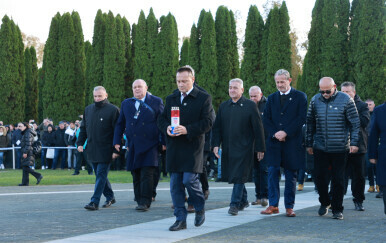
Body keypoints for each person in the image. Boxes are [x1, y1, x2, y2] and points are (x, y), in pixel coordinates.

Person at [157, 66, 214, 231]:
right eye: (178, 81)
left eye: (184, 81)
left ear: (193, 80)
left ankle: (199, 206)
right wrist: (167, 127)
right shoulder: (171, 98)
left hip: (193, 147)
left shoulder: (204, 98)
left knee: (189, 180)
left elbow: (208, 122)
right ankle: (180, 219)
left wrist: (188, 129)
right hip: (174, 147)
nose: (180, 84)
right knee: (175, 185)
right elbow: (161, 119)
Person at [306, 77, 360, 220]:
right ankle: (325, 202)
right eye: (322, 91)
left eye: (327, 91)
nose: (325, 94)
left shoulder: (346, 100)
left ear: (334, 87)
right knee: (319, 179)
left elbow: (355, 123)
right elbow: (310, 123)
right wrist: (309, 144)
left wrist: (354, 143)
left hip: (340, 147)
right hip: (320, 147)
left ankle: (337, 209)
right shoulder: (315, 100)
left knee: (338, 180)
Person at [212, 79, 265, 216]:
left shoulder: (250, 106)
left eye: (235, 88)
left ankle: (234, 204)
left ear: (242, 90)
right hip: (229, 147)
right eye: (230, 87)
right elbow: (217, 128)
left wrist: (260, 148)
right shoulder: (224, 106)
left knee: (240, 174)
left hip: (246, 148)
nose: (232, 90)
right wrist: (215, 145)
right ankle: (243, 200)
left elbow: (258, 129)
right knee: (236, 175)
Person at [260, 69, 307, 217]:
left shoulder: (300, 97)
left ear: (289, 80)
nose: (279, 85)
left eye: (282, 81)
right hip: (274, 143)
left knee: (290, 174)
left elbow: (301, 118)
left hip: (292, 143)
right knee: (272, 173)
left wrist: (286, 132)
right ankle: (273, 205)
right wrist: (275, 133)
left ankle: (289, 206)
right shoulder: (272, 98)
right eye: (277, 82)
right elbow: (266, 119)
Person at [113, 79, 164, 212]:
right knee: (135, 173)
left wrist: (164, 142)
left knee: (147, 173)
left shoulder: (156, 101)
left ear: (146, 88)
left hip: (151, 144)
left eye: (139, 87)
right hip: (133, 145)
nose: (137, 89)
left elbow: (162, 123)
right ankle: (138, 198)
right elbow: (120, 124)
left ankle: (145, 202)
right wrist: (117, 141)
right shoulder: (126, 103)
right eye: (134, 87)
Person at [77, 86, 120, 210]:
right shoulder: (88, 109)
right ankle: (110, 196)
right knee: (100, 175)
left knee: (100, 175)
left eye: (100, 96)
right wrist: (80, 143)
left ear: (106, 95)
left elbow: (118, 132)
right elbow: (83, 128)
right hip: (92, 148)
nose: (97, 98)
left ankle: (94, 202)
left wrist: (116, 150)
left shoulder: (113, 110)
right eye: (95, 96)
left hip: (106, 150)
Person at [341, 82, 370, 211]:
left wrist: (351, 113)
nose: (346, 94)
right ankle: (336, 200)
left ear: (354, 92)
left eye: (348, 92)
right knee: (339, 175)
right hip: (341, 145)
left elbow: (364, 122)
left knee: (359, 176)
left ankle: (358, 200)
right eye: (343, 92)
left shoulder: (363, 105)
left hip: (358, 146)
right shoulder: (336, 104)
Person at [248, 85, 269, 207]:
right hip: (252, 145)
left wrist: (263, 146)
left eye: (255, 96)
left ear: (260, 95)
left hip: (265, 144)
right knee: (256, 172)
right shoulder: (249, 105)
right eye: (250, 96)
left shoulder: (267, 105)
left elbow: (266, 128)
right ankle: (258, 196)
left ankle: (265, 196)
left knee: (264, 170)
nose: (252, 98)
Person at [368, 102, 386, 214]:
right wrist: (372, 155)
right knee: (385, 184)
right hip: (384, 154)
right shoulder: (379, 111)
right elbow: (373, 134)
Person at [365, 99, 377, 193]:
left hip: (376, 143)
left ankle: (378, 185)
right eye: (367, 104)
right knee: (369, 166)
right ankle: (371, 185)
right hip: (365, 144)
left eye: (370, 104)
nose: (368, 106)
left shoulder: (377, 114)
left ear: (374, 105)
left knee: (377, 165)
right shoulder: (363, 115)